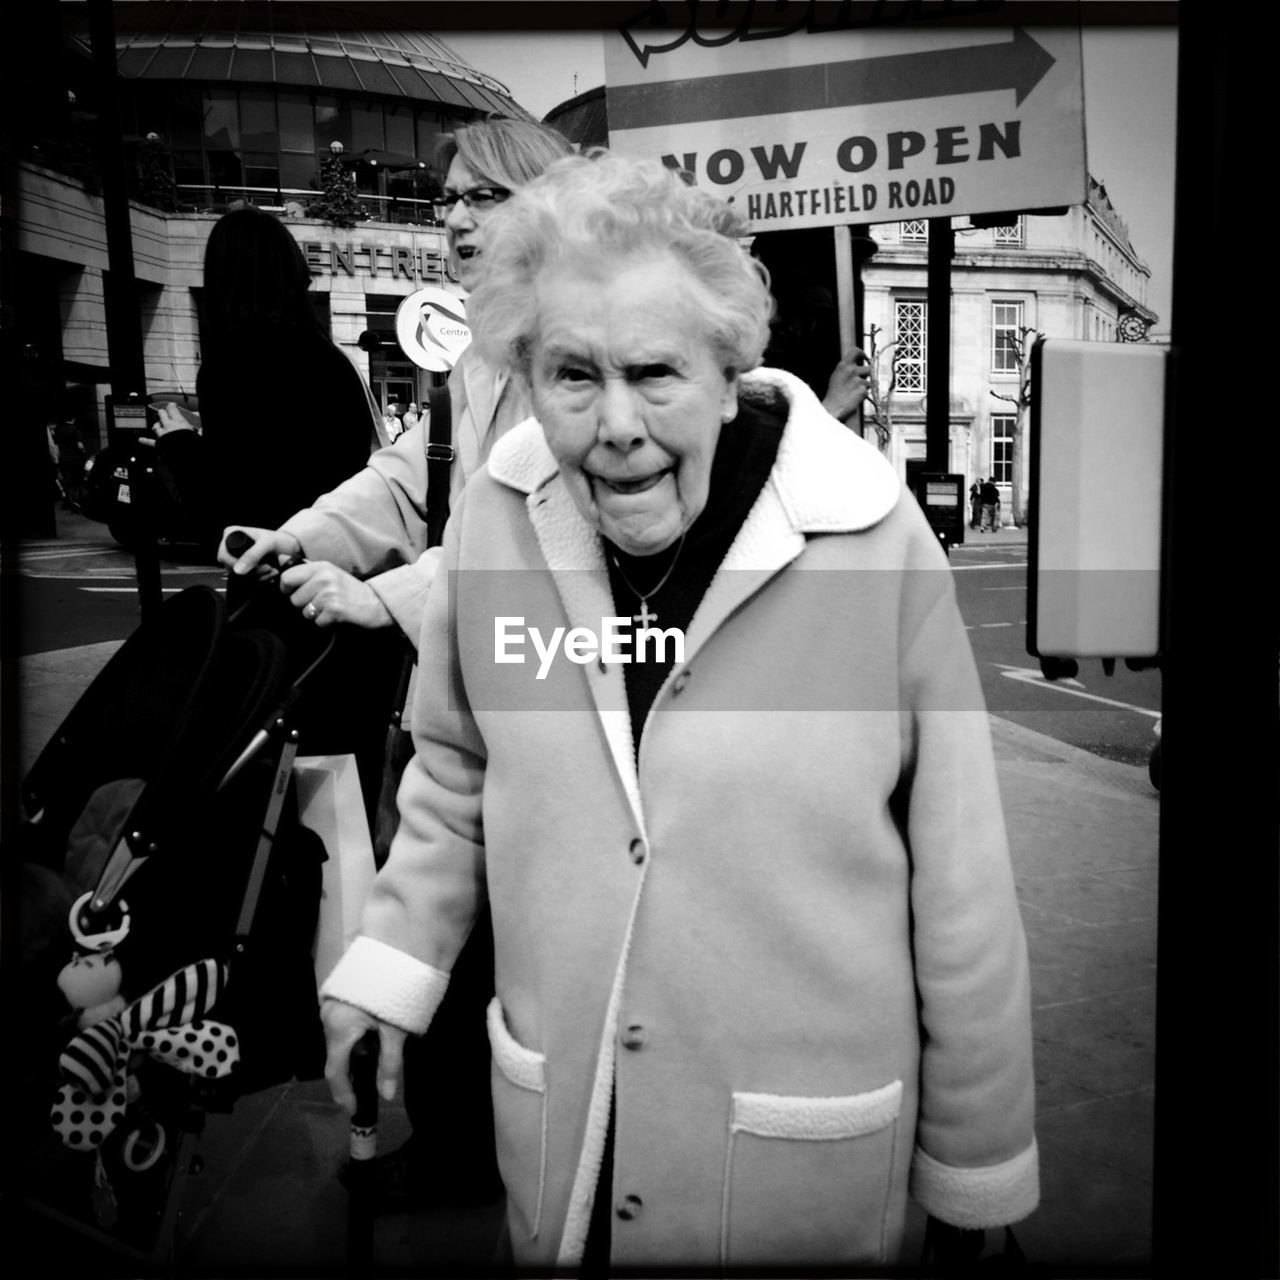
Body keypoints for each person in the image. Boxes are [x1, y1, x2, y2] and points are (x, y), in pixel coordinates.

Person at [319, 153, 1039, 1274]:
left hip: (797, 1155)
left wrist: (975, 1165)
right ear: (525, 370)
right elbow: (455, 769)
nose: (614, 426)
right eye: (570, 374)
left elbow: (960, 883)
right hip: (569, 1146)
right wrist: (389, 968)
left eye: (654, 372)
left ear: (726, 366)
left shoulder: (872, 540)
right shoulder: (497, 523)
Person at [218, 116, 579, 1207]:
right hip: (471, 705)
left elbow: (527, 542)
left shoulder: (568, 349)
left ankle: (489, 1159)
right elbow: (407, 481)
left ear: (545, 209)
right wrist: (305, 533)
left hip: (543, 702)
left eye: (484, 196)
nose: (456, 217)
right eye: (448, 199)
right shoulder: (481, 349)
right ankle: (463, 1147)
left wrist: (378, 597)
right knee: (456, 932)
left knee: (496, 950)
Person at [193, 204, 376, 542]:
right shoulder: (332, 361)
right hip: (336, 555)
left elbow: (222, 503)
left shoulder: (229, 366)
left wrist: (179, 444)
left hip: (269, 565)